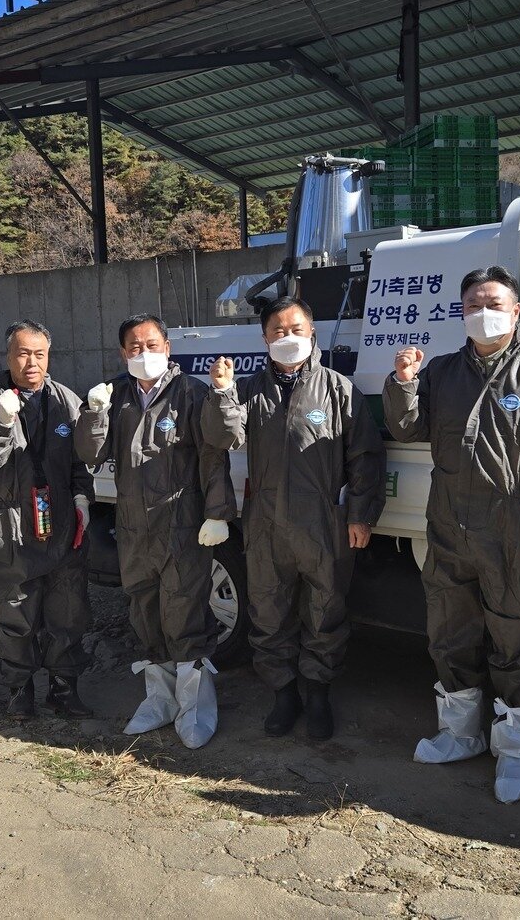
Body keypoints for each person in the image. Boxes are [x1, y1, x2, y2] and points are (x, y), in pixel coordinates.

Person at [382, 265, 520, 802]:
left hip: (514, 528)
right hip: (449, 522)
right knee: (449, 629)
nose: (484, 311)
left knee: (513, 636)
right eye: (473, 303)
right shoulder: (444, 372)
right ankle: (459, 734)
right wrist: (404, 383)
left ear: (516, 310)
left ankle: (518, 752)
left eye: (494, 302)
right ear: (461, 312)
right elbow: (408, 428)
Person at [203, 296, 385, 740]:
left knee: (325, 610)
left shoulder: (339, 390)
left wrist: (361, 515)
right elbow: (222, 437)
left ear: (312, 333)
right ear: (264, 338)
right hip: (265, 522)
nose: (287, 338)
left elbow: (366, 457)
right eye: (277, 332)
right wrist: (223, 393)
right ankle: (284, 694)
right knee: (269, 611)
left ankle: (318, 694)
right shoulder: (246, 390)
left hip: (324, 521)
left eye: (296, 329)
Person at [75, 313, 235, 749]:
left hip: (182, 523)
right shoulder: (116, 395)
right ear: (123, 352)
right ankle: (159, 701)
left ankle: (195, 708)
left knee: (184, 613)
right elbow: (89, 452)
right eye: (133, 346)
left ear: (168, 347)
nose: (142, 353)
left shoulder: (191, 393)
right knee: (144, 612)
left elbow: (215, 455)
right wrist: (94, 413)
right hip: (133, 526)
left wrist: (217, 513)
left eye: (151, 344)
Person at [0, 320, 95, 720]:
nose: (31, 362)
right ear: (9, 356)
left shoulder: (65, 399)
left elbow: (81, 459)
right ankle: (19, 690)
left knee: (68, 611)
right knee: (16, 614)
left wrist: (81, 497)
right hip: (11, 528)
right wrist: (2, 423)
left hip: (60, 525)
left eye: (39, 354)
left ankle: (63, 688)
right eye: (23, 353)